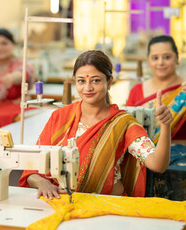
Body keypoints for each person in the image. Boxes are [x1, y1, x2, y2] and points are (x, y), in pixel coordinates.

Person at [19, 50, 173, 199]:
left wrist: (165, 126)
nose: (88, 87)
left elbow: (158, 164)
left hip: (108, 206)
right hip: (63, 202)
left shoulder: (123, 124)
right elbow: (32, 169)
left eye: (96, 80)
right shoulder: (60, 117)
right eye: (81, 81)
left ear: (110, 81)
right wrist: (43, 183)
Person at [126, 35, 186, 145]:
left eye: (167, 57)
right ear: (148, 60)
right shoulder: (136, 90)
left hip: (184, 157)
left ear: (177, 58)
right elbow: (129, 127)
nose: (160, 62)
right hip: (148, 158)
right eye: (155, 58)